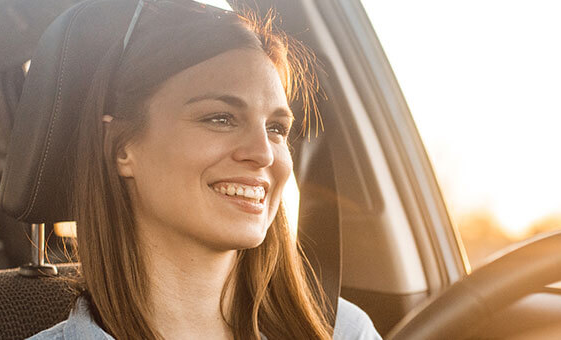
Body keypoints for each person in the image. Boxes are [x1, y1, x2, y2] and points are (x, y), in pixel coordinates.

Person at [26, 0, 381, 339]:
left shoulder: (345, 331)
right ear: (121, 147)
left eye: (276, 128)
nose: (264, 154)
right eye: (221, 118)